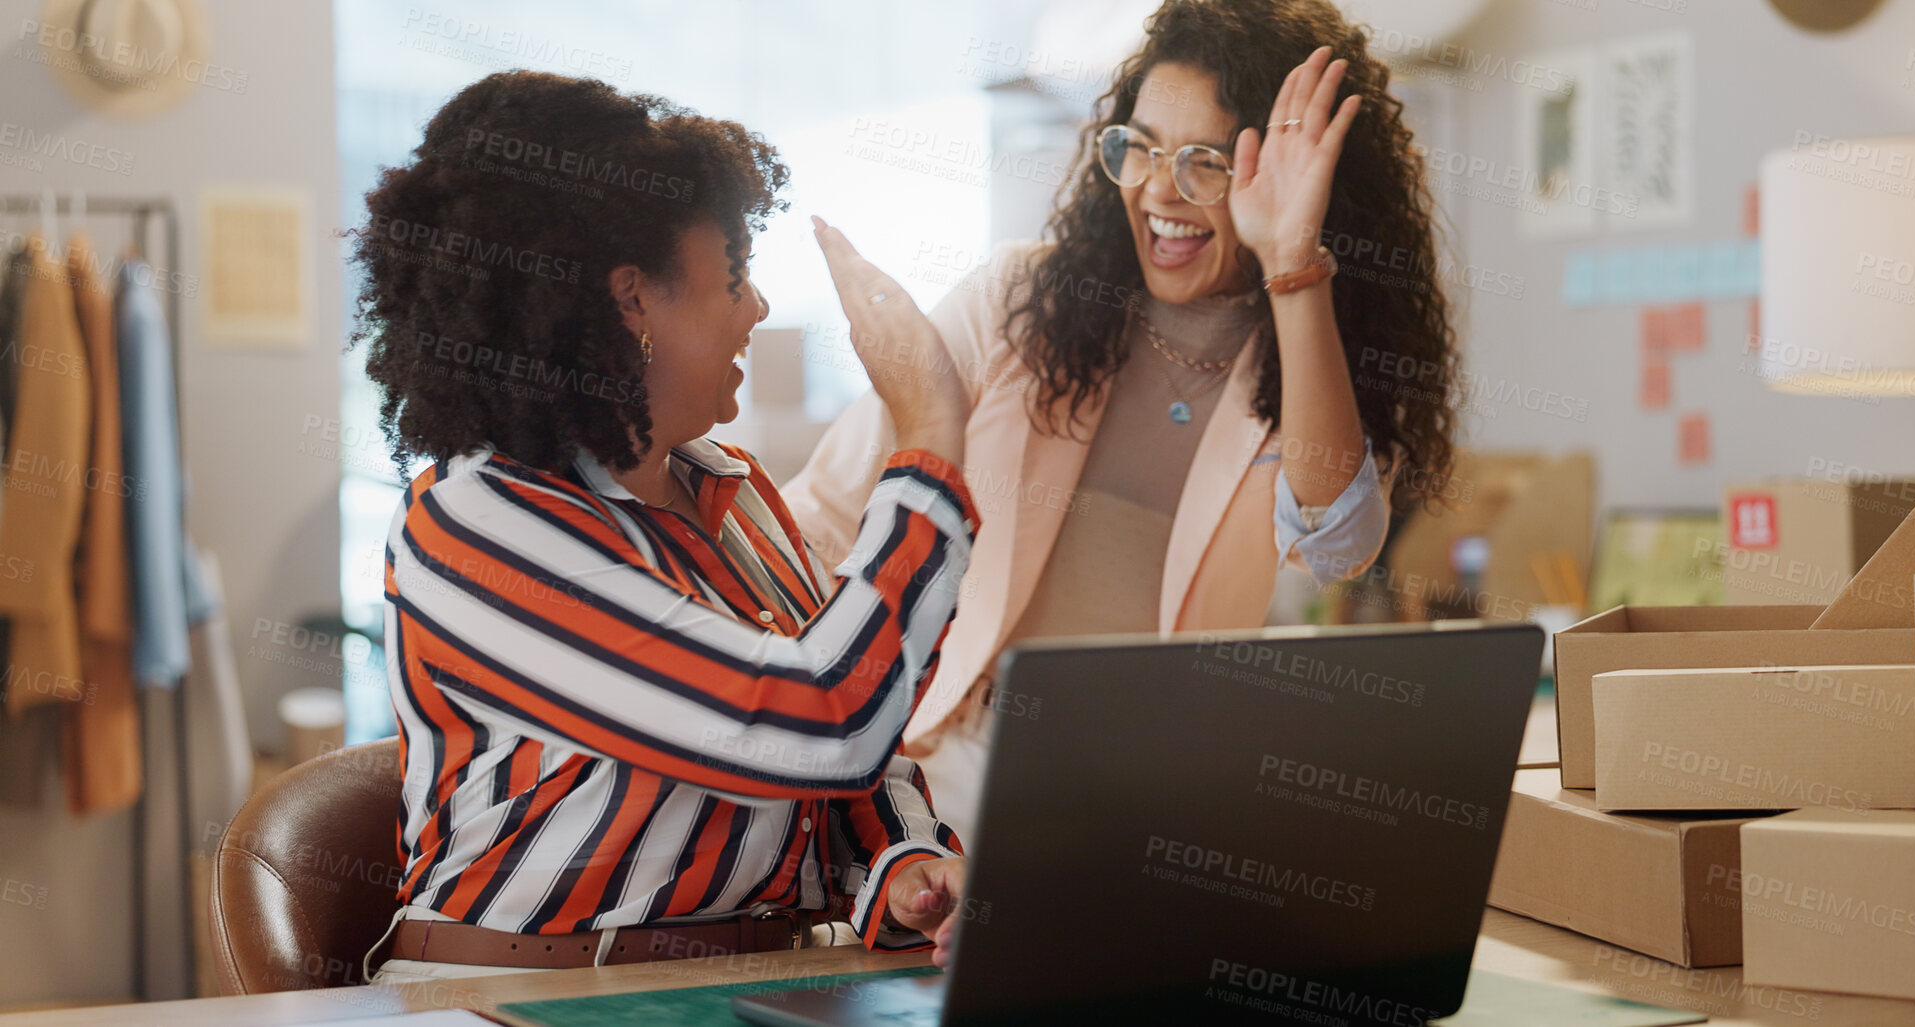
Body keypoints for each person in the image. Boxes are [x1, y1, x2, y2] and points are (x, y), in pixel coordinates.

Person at [349, 71, 978, 983]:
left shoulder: (732, 487)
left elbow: (848, 755)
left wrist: (907, 860)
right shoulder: (474, 523)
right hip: (520, 994)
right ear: (633, 301)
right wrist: (928, 439)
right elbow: (814, 721)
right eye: (733, 274)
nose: (756, 306)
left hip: (752, 982)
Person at [784, 0, 1461, 842]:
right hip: (953, 764)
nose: (1158, 191)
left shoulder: (1307, 352)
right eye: (1138, 148)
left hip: (1160, 793)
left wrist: (1293, 266)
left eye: (1207, 162)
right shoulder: (1017, 301)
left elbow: (1336, 540)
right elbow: (824, 511)